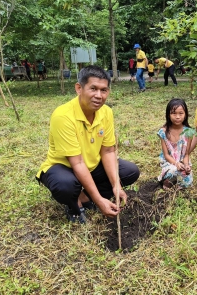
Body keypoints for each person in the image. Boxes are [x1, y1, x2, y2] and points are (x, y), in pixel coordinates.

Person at [36, 65, 140, 224]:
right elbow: (76, 162)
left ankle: (85, 195)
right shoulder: (63, 116)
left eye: (104, 90)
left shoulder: (106, 112)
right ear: (79, 88)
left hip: (91, 165)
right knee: (65, 186)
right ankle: (74, 203)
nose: (99, 95)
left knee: (130, 172)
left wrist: (116, 185)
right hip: (65, 166)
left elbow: (108, 151)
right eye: (93, 88)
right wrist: (99, 200)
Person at [157, 99, 193, 189]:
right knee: (173, 171)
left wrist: (186, 165)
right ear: (168, 115)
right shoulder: (163, 132)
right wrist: (176, 164)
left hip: (182, 162)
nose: (177, 117)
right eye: (174, 113)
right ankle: (167, 181)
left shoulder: (188, 132)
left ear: (185, 115)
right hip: (169, 163)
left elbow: (186, 154)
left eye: (181, 113)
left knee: (187, 180)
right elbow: (166, 155)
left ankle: (177, 182)